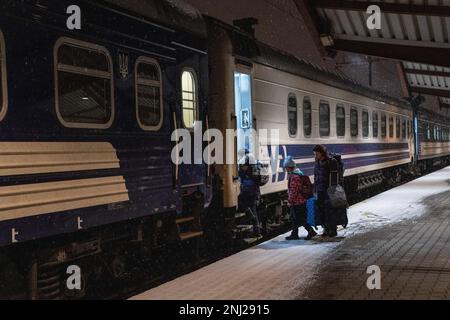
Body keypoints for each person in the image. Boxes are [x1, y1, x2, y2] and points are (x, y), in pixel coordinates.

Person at [283, 156, 317, 241]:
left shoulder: (294, 177)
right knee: (294, 218)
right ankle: (294, 234)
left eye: (286, 168)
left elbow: (293, 190)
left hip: (298, 201)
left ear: (289, 167)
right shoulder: (299, 173)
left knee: (300, 219)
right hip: (301, 200)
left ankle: (311, 231)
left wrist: (290, 201)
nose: (286, 170)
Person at [313, 145, 338, 238]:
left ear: (322, 153)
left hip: (329, 190)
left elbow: (335, 177)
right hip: (320, 190)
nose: (315, 156)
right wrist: (315, 189)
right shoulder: (317, 163)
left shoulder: (331, 162)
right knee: (321, 211)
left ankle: (333, 229)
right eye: (314, 154)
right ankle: (325, 229)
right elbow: (316, 176)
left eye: (316, 154)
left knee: (330, 211)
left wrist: (332, 189)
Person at [238, 154, 262, 237]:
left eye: (243, 166)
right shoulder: (253, 171)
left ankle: (253, 219)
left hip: (248, 193)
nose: (242, 167)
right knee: (253, 209)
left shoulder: (247, 172)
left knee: (248, 207)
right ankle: (257, 231)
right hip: (253, 193)